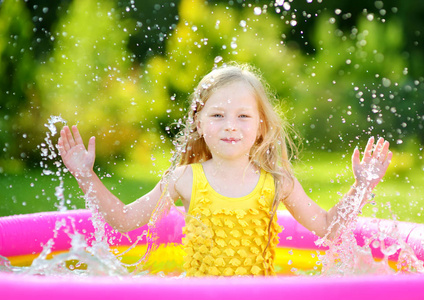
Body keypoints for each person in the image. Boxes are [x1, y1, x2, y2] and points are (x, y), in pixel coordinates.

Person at [58, 63, 392, 277]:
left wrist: (362, 187)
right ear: (199, 123)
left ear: (261, 126)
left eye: (243, 116)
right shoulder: (186, 178)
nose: (230, 126)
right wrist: (85, 174)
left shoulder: (277, 182)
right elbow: (125, 220)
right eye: (217, 115)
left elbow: (328, 228)